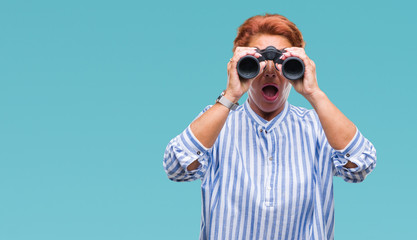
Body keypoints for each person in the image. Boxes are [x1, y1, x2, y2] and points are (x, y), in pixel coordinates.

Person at [163, 13, 376, 240]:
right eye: (258, 61)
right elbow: (175, 167)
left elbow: (362, 164)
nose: (270, 71)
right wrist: (230, 95)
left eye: (283, 61)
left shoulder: (318, 125)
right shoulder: (217, 121)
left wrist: (314, 94)